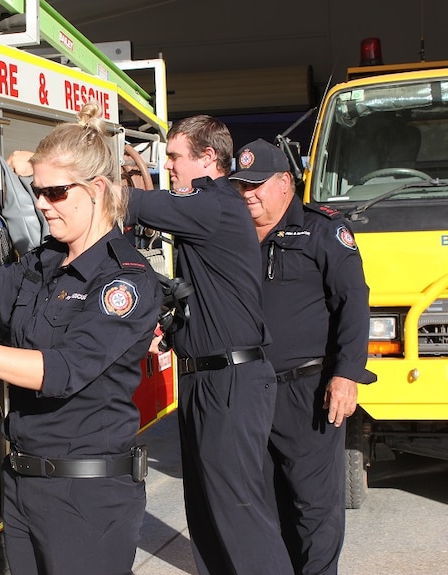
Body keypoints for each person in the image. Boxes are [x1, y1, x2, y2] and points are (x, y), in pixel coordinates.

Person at [0, 102, 163, 575]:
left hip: (86, 496)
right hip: (24, 484)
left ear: (97, 190)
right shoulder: (45, 261)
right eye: (37, 191)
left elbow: (57, 372)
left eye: (55, 193)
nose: (42, 204)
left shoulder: (124, 283)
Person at [126, 116, 294, 574]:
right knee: (207, 517)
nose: (170, 167)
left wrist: (66, 175)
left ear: (208, 159)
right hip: (205, 377)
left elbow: (130, 203)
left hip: (232, 380)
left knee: (240, 518)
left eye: (176, 157)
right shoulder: (204, 207)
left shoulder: (215, 204)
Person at [230, 138, 374, 575]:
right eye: (242, 186)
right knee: (261, 503)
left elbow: (354, 302)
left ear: (285, 184)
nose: (249, 194)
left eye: (257, 185)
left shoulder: (323, 230)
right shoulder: (232, 234)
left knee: (313, 506)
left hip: (308, 390)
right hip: (249, 390)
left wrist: (346, 375)